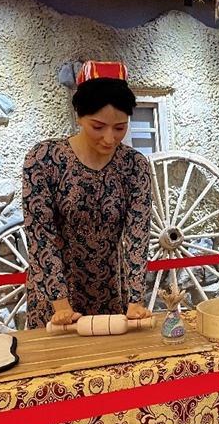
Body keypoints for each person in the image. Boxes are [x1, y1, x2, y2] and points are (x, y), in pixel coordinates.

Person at [23, 60, 152, 329]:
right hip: (55, 296)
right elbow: (40, 234)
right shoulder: (44, 159)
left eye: (120, 128)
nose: (109, 138)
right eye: (98, 126)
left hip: (112, 291)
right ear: (79, 116)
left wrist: (136, 299)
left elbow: (137, 235)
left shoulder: (134, 166)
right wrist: (60, 304)